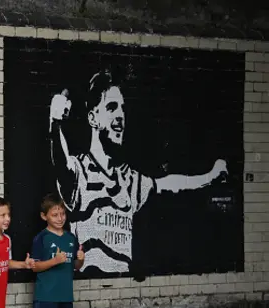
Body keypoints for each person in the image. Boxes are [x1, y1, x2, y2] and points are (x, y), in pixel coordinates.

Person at [49, 70, 228, 275]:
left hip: (122, 284)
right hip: (91, 284)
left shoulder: (127, 179)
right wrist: (55, 123)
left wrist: (209, 178)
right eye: (111, 107)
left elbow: (169, 184)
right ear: (93, 118)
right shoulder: (80, 171)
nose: (120, 116)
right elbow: (62, 164)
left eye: (122, 109)